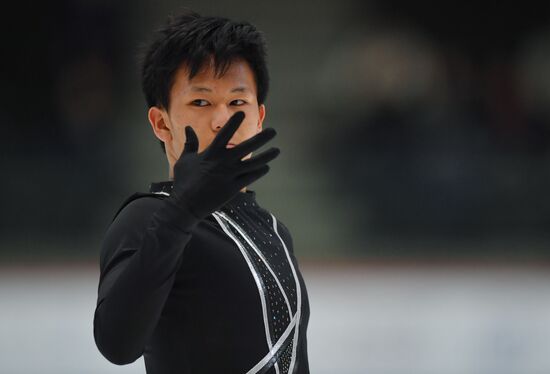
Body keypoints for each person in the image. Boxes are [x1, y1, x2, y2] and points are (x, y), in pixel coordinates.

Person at [93, 10, 310, 374]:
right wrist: (183, 211)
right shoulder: (146, 218)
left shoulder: (273, 229)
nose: (222, 119)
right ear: (161, 123)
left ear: (259, 116)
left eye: (237, 103)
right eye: (201, 102)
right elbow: (116, 343)